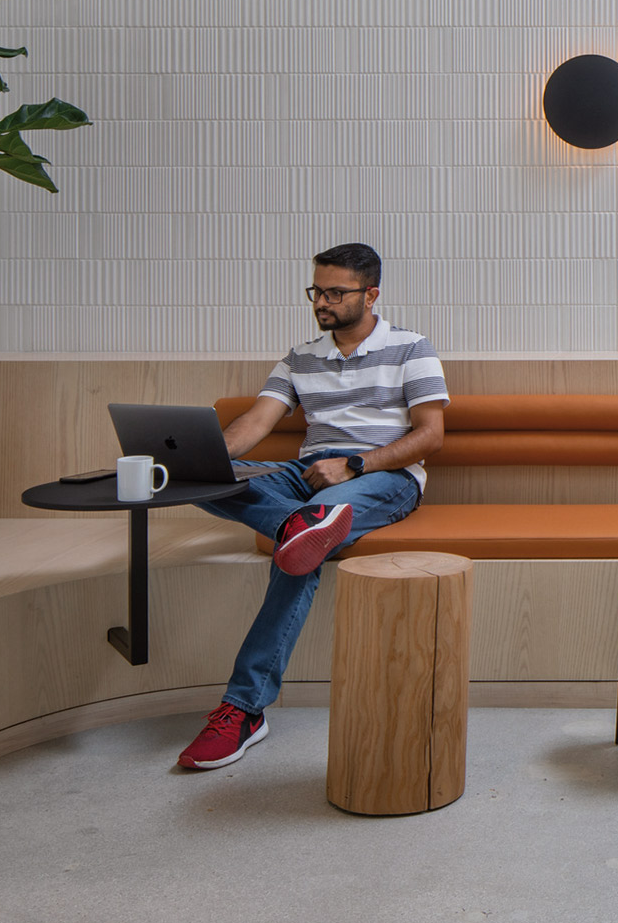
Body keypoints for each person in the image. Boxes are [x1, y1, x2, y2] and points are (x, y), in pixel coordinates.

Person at [174, 243, 449, 770]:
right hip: (306, 479)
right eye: (316, 291)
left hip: (381, 477)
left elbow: (430, 436)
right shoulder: (300, 356)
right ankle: (299, 526)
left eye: (335, 292)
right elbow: (255, 424)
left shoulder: (413, 348)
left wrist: (356, 466)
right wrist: (195, 462)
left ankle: (243, 709)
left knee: (299, 555)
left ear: (371, 295)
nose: (322, 301)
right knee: (209, 486)